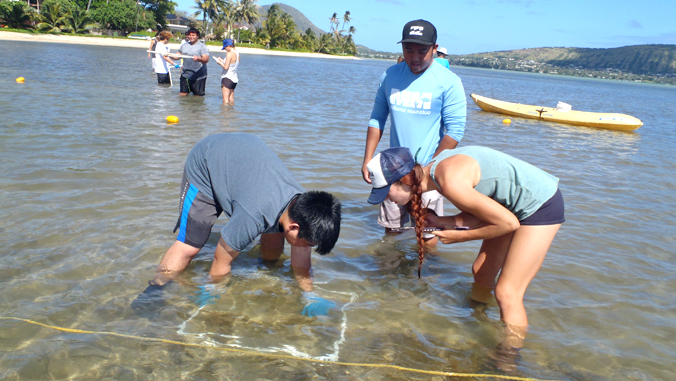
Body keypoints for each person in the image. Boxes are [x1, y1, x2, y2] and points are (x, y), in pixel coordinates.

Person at [132, 133, 342, 318]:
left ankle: (266, 268)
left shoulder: (301, 207)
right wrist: (212, 291)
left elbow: (302, 265)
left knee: (274, 240)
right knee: (191, 244)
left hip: (244, 160)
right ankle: (154, 290)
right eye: (307, 244)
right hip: (206, 162)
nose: (306, 248)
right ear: (294, 227)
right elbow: (220, 259)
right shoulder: (252, 215)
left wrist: (309, 295)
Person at [366, 146, 564, 338]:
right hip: (509, 207)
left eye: (386, 193)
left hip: (540, 204)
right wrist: (443, 222)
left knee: (507, 292)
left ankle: (508, 359)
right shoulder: (436, 172)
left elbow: (508, 223)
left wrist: (459, 237)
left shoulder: (449, 182)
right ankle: (478, 322)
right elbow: (486, 212)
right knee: (481, 271)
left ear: (405, 182)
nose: (388, 200)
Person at [361, 19, 467, 246]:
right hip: (393, 172)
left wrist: (429, 169)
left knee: (427, 238)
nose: (415, 57)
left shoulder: (449, 82)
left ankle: (422, 281)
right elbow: (377, 118)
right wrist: (368, 159)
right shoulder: (390, 75)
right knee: (391, 238)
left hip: (428, 174)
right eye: (408, 50)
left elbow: (455, 130)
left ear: (435, 49)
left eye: (422, 51)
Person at [172, 27, 209, 96]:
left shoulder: (202, 47)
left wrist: (198, 58)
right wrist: (169, 55)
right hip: (185, 74)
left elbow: (206, 59)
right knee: (182, 95)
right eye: (190, 35)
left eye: (193, 35)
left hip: (198, 75)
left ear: (197, 36)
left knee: (197, 97)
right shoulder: (184, 46)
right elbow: (177, 56)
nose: (191, 37)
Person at [215, 39, 240, 105]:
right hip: (234, 79)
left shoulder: (229, 53)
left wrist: (219, 63)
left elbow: (226, 67)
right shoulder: (237, 53)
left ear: (228, 46)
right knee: (231, 98)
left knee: (225, 100)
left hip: (227, 78)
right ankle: (231, 113)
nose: (225, 49)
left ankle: (225, 114)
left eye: (225, 48)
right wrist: (223, 61)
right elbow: (232, 64)